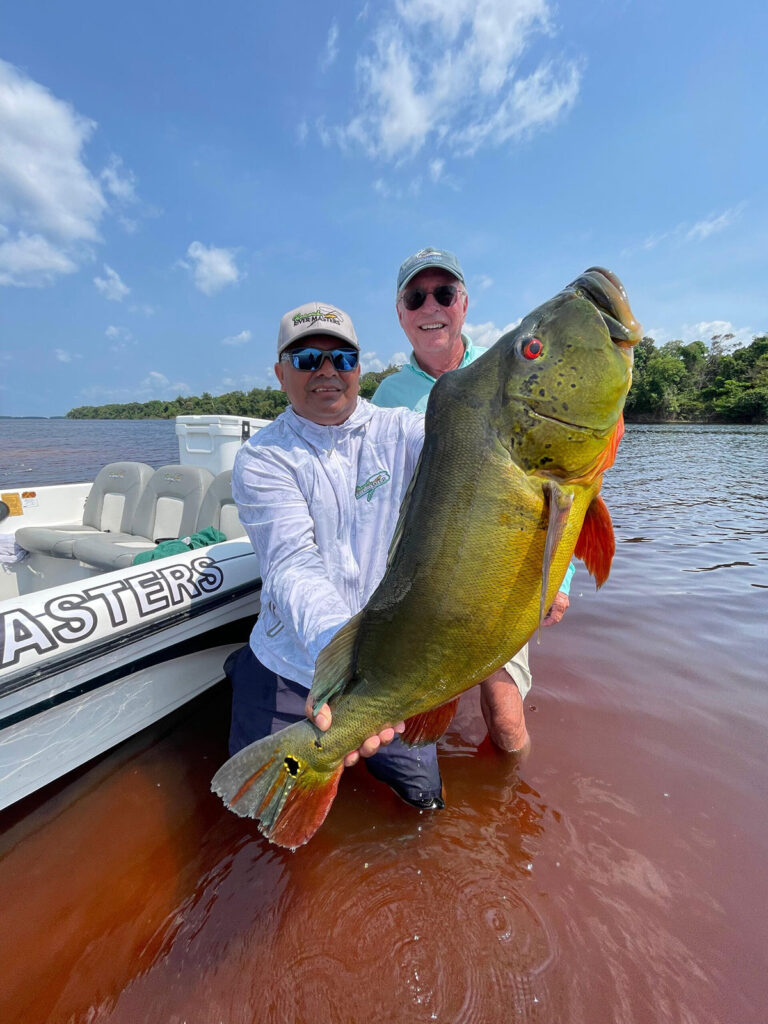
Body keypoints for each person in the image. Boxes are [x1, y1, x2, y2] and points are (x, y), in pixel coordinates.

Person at [225, 301, 445, 810]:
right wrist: (344, 663)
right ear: (281, 374)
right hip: (290, 664)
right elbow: (291, 565)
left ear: (359, 369)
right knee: (261, 808)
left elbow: (475, 439)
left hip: (389, 669)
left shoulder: (403, 431)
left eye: (341, 358)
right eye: (306, 360)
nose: (326, 372)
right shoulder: (262, 458)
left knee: (424, 803)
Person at [372, 248, 575, 752]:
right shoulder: (385, 398)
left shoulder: (512, 371)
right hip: (422, 584)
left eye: (444, 294)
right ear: (400, 314)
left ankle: (514, 808)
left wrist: (559, 579)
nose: (431, 308)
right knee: (404, 716)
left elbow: (560, 478)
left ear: (464, 303)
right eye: (416, 298)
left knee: (506, 721)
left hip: (499, 577)